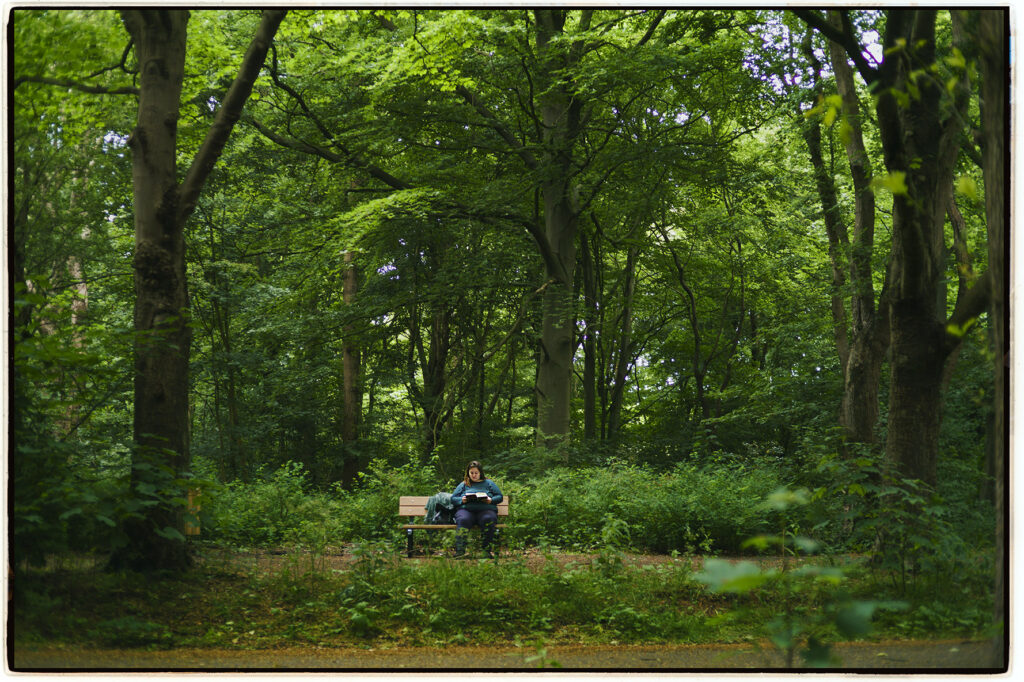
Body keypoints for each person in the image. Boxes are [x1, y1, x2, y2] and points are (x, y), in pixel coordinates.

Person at [450, 460, 503, 558]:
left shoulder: (488, 483)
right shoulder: (464, 484)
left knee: (489, 519)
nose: (474, 475)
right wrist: (462, 500)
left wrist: (490, 500)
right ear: (468, 473)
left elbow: (499, 497)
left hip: (485, 510)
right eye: (471, 473)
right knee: (463, 519)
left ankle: (486, 551)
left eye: (476, 473)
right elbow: (453, 499)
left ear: (480, 473)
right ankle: (460, 551)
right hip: (466, 510)